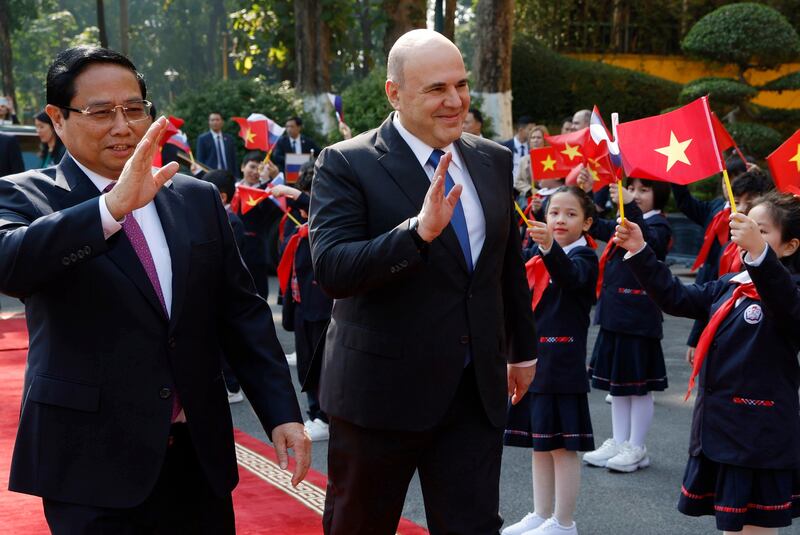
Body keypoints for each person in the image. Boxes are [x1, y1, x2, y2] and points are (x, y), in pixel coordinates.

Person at [0, 46, 310, 534]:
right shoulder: (26, 194)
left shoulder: (194, 196)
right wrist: (110, 209)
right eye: (101, 111)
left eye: (134, 109)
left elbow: (240, 314)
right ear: (58, 119)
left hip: (197, 457)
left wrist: (281, 413)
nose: (122, 126)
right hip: (91, 464)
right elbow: (10, 263)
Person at [309, 29, 537, 535]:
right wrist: (417, 234)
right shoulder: (347, 163)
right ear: (395, 93)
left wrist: (522, 348)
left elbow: (505, 263)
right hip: (379, 396)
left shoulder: (491, 159)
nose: (455, 101)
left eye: (461, 84)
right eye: (436, 89)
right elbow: (333, 270)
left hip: (474, 391)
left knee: (473, 525)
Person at [613, 191, 800, 535]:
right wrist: (639, 250)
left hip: (758, 437)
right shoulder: (729, 285)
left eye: (762, 231)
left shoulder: (789, 290)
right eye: (746, 227)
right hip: (720, 431)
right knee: (731, 527)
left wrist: (759, 255)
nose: (748, 236)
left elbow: (786, 303)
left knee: (756, 529)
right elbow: (675, 296)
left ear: (789, 247)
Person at [503, 186, 598, 535]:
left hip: (562, 363)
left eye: (571, 214)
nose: (560, 219)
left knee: (561, 446)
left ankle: (564, 521)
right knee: (539, 443)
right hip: (534, 359)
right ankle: (541, 514)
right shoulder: (535, 252)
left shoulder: (584, 257)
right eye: (554, 212)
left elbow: (571, 278)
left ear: (587, 222)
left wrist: (548, 248)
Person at [580, 178, 672, 473]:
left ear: (659, 196)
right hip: (614, 315)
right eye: (633, 189)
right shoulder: (626, 220)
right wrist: (587, 193)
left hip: (638, 319)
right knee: (618, 387)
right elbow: (594, 225)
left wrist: (629, 203)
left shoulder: (659, 225)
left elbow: (648, 243)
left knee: (639, 387)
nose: (636, 195)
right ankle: (620, 442)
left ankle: (637, 445)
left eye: (643, 190)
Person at [671, 166, 772, 364]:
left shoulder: (773, 252)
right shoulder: (726, 243)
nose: (741, 207)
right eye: (737, 198)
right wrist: (696, 337)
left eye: (748, 202)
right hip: (714, 292)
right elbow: (712, 297)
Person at [274, 164, 334, 442]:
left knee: (325, 365)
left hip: (325, 306)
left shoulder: (330, 216)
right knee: (307, 364)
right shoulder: (293, 223)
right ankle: (315, 413)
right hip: (300, 304)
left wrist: (293, 193)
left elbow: (320, 209)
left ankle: (325, 416)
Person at [235, 152, 285, 300]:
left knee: (258, 294)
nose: (255, 172)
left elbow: (271, 207)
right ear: (243, 167)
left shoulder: (265, 193)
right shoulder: (232, 188)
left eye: (259, 169)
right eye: (252, 167)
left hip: (256, 252)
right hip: (234, 249)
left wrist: (267, 181)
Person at [195, 111, 238, 176]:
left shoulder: (229, 139)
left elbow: (233, 160)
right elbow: (200, 160)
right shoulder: (203, 139)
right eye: (212, 120)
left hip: (228, 176)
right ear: (209, 122)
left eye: (217, 120)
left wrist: (236, 177)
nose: (215, 122)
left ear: (222, 122)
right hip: (210, 175)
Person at [514, 124, 549, 200]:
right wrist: (531, 190)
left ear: (545, 140)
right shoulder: (524, 160)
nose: (535, 140)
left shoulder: (551, 158)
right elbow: (517, 182)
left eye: (539, 137)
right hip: (529, 197)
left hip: (548, 197)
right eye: (533, 138)